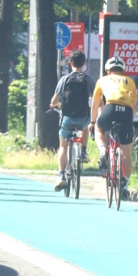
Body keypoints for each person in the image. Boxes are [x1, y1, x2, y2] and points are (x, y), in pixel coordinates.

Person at [91, 56, 137, 198]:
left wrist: (92, 122)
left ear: (108, 71)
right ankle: (125, 186)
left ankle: (103, 149)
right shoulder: (130, 81)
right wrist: (130, 123)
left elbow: (95, 103)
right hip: (126, 112)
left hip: (110, 108)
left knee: (99, 129)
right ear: (123, 71)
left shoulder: (102, 80)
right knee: (126, 153)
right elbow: (134, 105)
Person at [50, 50, 94, 190]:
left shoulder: (64, 79)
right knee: (86, 126)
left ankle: (61, 175)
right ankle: (83, 151)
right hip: (83, 118)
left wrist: (53, 105)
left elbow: (55, 99)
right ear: (84, 63)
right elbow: (96, 96)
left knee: (63, 146)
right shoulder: (88, 79)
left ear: (70, 63)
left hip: (67, 118)